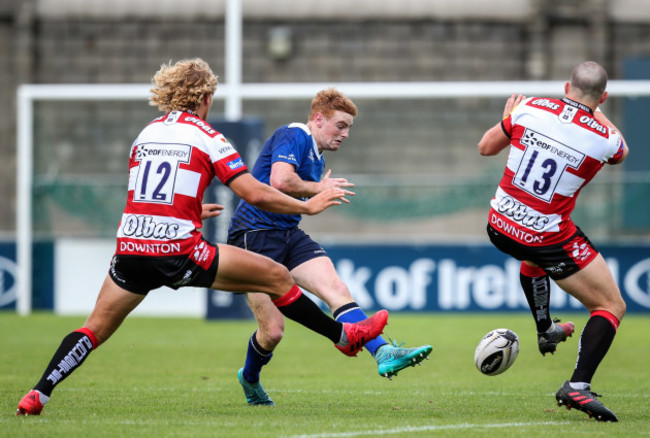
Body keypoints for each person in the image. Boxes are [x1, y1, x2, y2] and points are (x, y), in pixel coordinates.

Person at [15, 59, 390, 416]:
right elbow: (255, 192)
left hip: (131, 249)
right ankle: (343, 337)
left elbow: (144, 197)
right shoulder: (207, 135)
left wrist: (192, 210)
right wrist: (309, 206)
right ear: (207, 98)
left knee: (93, 329)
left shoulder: (145, 133)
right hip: (180, 252)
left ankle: (39, 393)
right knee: (276, 276)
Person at [227, 88, 432, 406]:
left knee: (336, 288)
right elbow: (281, 181)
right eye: (341, 125)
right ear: (318, 119)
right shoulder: (294, 134)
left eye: (349, 127)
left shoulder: (317, 157)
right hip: (253, 235)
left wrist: (314, 189)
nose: (346, 133)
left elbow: (293, 192)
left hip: (288, 233)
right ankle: (249, 378)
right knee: (273, 332)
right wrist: (317, 188)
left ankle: (383, 352)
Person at [478, 61, 629, 422]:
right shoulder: (604, 138)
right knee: (611, 305)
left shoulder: (528, 107)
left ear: (566, 87)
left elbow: (485, 147)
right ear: (603, 96)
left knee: (532, 254)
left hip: (499, 225)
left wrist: (508, 122)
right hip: (546, 235)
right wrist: (599, 113)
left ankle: (546, 329)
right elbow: (621, 151)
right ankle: (577, 387)